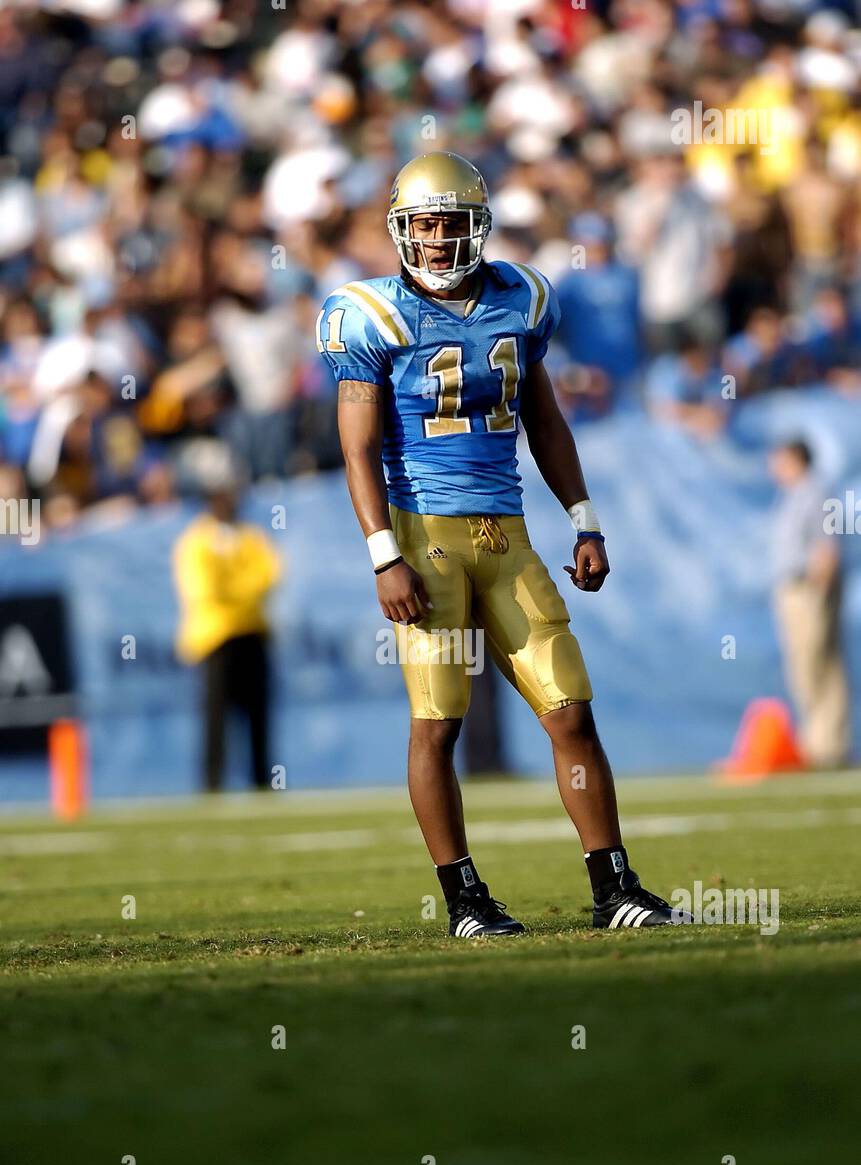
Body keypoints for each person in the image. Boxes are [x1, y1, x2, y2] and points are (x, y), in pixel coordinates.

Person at [318, 152, 687, 938]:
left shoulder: (522, 299)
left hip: (509, 535)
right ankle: (463, 901)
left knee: (570, 712)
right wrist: (384, 553)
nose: (440, 238)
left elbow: (543, 420)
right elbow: (355, 448)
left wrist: (583, 518)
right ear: (401, 229)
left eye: (453, 222)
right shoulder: (370, 314)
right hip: (425, 541)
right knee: (437, 722)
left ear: (478, 225)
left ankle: (613, 887)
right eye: (425, 223)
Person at [173, 449, 281, 790]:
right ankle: (212, 785)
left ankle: (262, 783)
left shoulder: (249, 536)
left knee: (258, 716)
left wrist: (235, 587)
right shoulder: (196, 540)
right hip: (215, 639)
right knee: (215, 720)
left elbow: (271, 574)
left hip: (252, 633)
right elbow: (204, 589)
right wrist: (244, 587)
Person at [769, 439, 850, 770]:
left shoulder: (815, 491)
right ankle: (815, 742)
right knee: (803, 666)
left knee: (819, 663)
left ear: (794, 459)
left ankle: (829, 746)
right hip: (792, 587)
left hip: (810, 587)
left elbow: (826, 548)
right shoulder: (792, 495)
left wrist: (820, 594)